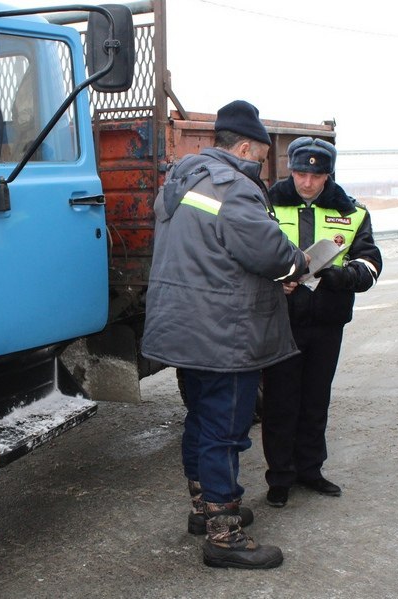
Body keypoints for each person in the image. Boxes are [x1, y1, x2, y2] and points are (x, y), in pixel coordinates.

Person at [141, 100, 309, 569]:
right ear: (245, 146)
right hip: (224, 333)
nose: (261, 163)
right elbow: (271, 252)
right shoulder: (234, 187)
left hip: (184, 325)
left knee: (200, 419)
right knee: (223, 431)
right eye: (260, 154)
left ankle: (206, 510)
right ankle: (224, 536)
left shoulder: (181, 179)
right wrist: (301, 262)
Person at [261, 136, 382, 508]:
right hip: (281, 322)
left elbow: (370, 263)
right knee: (280, 403)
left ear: (329, 175)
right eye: (300, 173)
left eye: (316, 175)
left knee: (316, 399)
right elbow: (250, 256)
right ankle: (280, 477)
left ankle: (310, 471)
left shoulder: (353, 212)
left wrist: (342, 276)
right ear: (290, 170)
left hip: (327, 322)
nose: (307, 182)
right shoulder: (265, 203)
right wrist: (276, 280)